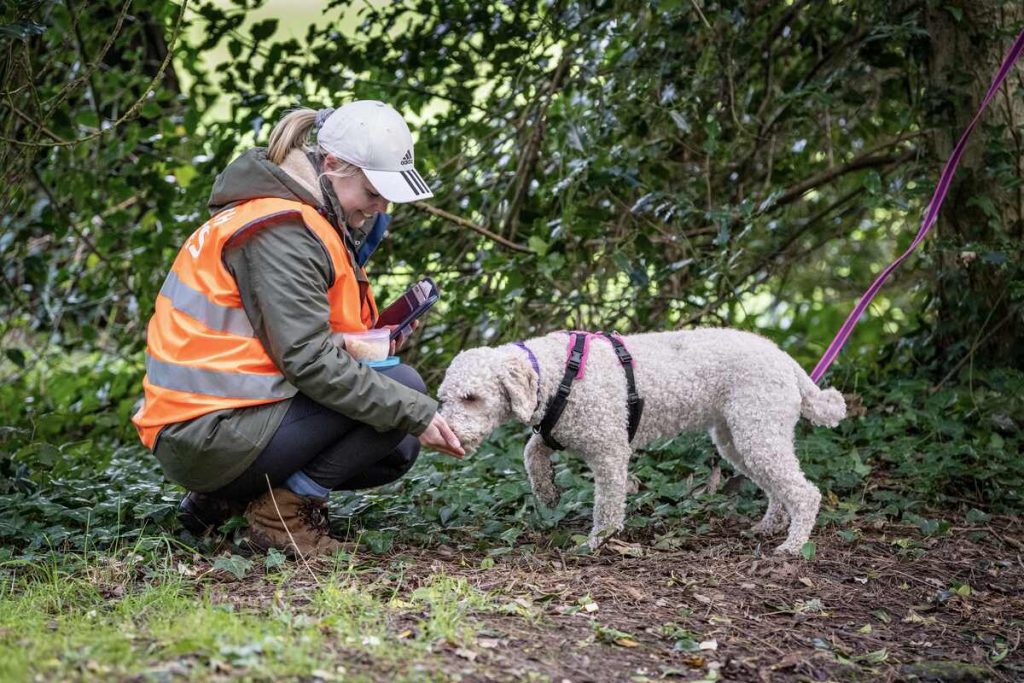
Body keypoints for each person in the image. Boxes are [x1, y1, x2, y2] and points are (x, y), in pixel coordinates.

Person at [132, 100, 465, 556]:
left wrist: (359, 343)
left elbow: (276, 340)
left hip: (217, 418)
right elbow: (308, 362)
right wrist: (415, 410)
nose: (381, 207)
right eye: (373, 192)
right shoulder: (280, 231)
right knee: (401, 396)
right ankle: (277, 518)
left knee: (397, 425)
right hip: (206, 433)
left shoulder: (298, 216)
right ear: (331, 165)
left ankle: (229, 499)